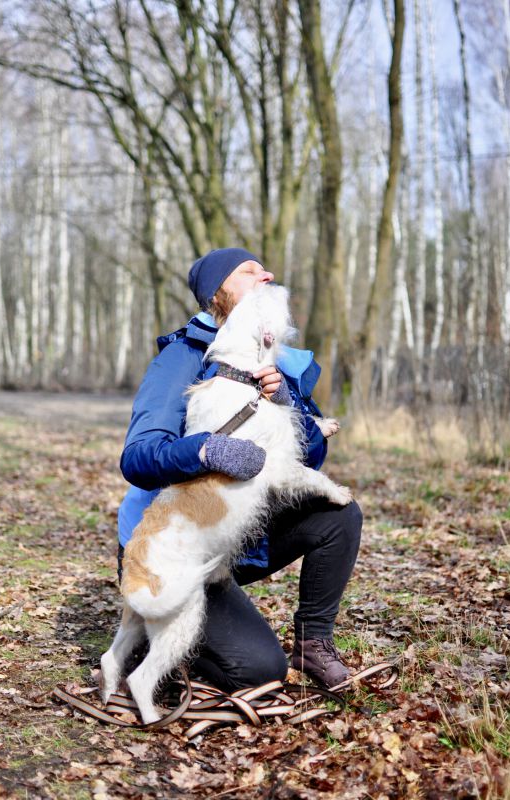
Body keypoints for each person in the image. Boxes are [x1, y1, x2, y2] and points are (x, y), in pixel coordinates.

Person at [117, 247, 362, 691]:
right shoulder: (184, 357)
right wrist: (206, 450)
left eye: (264, 269)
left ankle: (312, 643)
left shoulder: (271, 359)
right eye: (249, 271)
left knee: (339, 513)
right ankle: (156, 644)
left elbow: (302, 463)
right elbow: (139, 457)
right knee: (257, 671)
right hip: (170, 546)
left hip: (236, 538)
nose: (265, 275)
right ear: (217, 294)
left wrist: (287, 408)